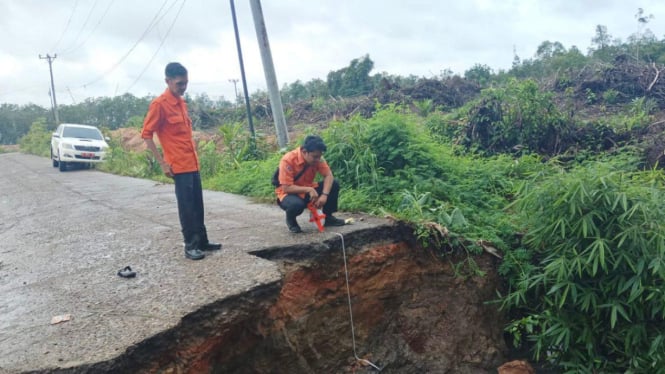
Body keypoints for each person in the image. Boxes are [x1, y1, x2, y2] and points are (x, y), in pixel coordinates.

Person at [141, 62, 222, 260]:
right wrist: (162, 163)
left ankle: (202, 241)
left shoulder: (182, 103)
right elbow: (146, 134)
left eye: (185, 83)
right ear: (167, 81)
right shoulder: (159, 105)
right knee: (187, 208)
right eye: (179, 84)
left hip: (192, 163)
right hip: (178, 165)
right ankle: (190, 246)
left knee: (197, 205)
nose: (183, 87)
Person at [275, 135, 346, 233]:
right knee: (296, 205)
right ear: (304, 152)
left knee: (334, 184)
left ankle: (328, 217)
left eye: (320, 156)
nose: (318, 160)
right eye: (315, 157)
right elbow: (286, 188)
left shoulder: (318, 158)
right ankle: (291, 221)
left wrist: (324, 195)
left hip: (308, 190)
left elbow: (329, 176)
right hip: (289, 193)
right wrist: (309, 190)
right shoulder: (288, 160)